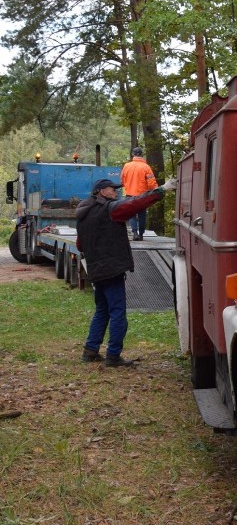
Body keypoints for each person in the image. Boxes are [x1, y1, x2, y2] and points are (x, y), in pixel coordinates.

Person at [77, 177, 177, 367]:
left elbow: (80, 244)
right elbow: (135, 204)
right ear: (101, 192)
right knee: (117, 313)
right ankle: (113, 356)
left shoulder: (84, 214)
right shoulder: (110, 209)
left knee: (102, 310)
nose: (117, 192)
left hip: (96, 270)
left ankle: (90, 351)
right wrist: (161, 190)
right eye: (112, 189)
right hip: (111, 270)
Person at [120, 147, 159, 240]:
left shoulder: (127, 166)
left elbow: (122, 179)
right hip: (142, 195)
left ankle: (135, 233)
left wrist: (128, 187)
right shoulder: (146, 167)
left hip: (129, 194)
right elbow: (151, 182)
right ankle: (141, 234)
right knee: (142, 214)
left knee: (132, 214)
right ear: (142, 155)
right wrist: (155, 190)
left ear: (133, 154)